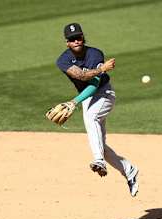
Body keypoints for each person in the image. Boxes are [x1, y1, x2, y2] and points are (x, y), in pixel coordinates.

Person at [56, 23, 139, 197]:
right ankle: (129, 170)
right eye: (72, 39)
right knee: (99, 144)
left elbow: (94, 83)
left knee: (92, 119)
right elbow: (81, 76)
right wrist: (101, 69)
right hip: (86, 98)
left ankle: (99, 161)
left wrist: (75, 101)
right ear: (67, 42)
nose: (76, 41)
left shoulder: (95, 53)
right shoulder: (63, 60)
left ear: (83, 37)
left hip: (104, 93)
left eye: (78, 37)